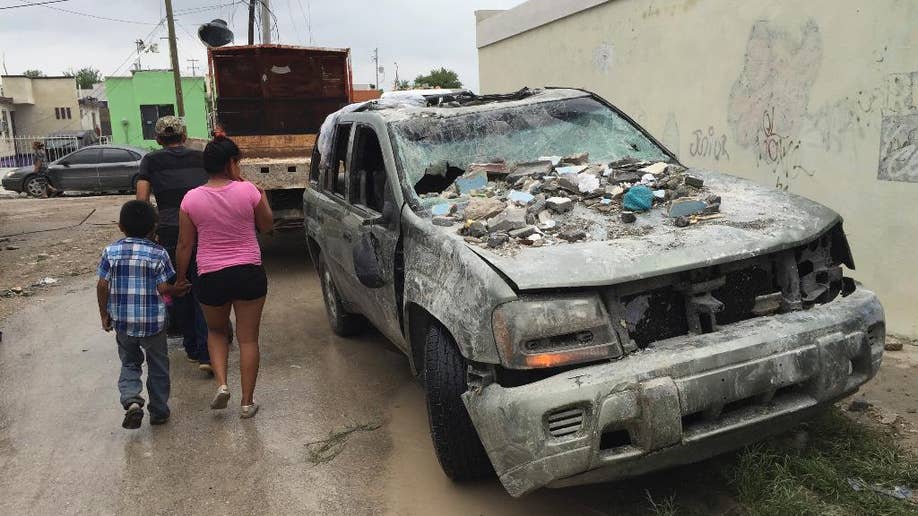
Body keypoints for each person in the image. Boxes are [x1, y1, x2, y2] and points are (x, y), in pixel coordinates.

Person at [176, 133, 273, 419]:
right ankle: (246, 402)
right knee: (248, 339)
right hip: (248, 273)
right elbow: (266, 226)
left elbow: (185, 245)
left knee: (216, 332)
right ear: (232, 163)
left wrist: (181, 279)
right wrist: (262, 197)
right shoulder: (249, 192)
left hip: (210, 275)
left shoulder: (191, 199)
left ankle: (221, 384)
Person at [96, 200, 189, 429]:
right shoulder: (158, 253)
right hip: (153, 323)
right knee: (158, 365)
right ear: (153, 227)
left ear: (120, 226)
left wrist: (104, 314)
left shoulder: (111, 252)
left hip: (123, 322)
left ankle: (132, 401)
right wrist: (176, 290)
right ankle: (158, 410)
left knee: (129, 362)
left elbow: (102, 285)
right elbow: (163, 288)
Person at [136, 116, 212, 373]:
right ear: (185, 134)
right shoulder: (201, 157)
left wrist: (147, 232)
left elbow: (142, 200)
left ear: (158, 139)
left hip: (169, 233)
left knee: (179, 287)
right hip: (202, 228)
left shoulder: (150, 161)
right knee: (203, 288)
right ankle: (206, 352)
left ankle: (191, 347)